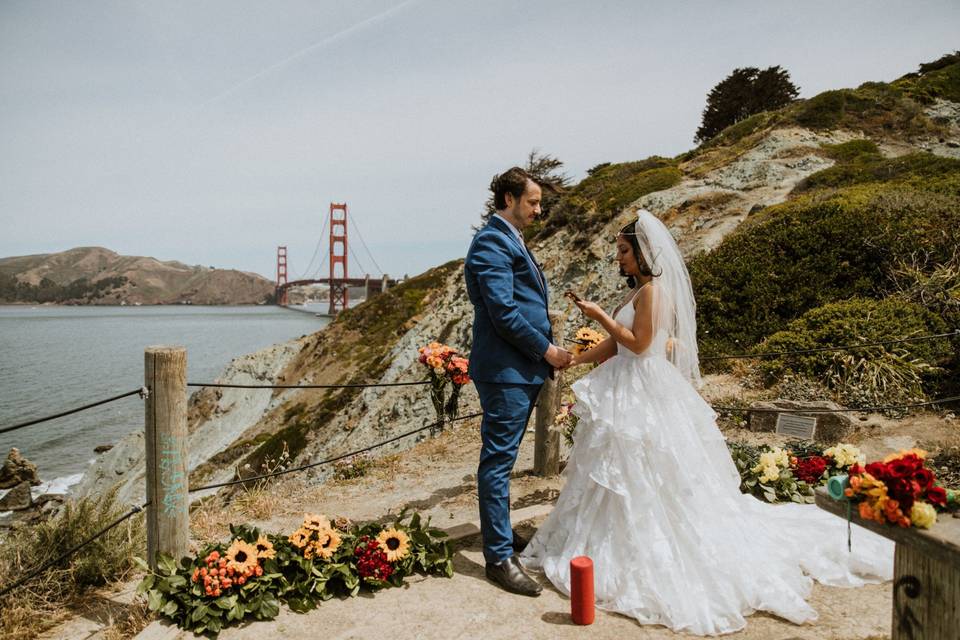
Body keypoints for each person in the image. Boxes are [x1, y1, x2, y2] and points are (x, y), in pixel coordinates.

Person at [520, 209, 894, 635]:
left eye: (623, 251)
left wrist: (599, 315)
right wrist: (574, 359)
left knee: (651, 468)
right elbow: (612, 345)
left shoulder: (654, 293)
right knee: (617, 469)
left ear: (642, 253)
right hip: (627, 384)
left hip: (645, 388)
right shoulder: (637, 291)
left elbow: (641, 346)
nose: (618, 258)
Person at [464, 166, 573, 597]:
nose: (538, 210)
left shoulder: (510, 238)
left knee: (502, 460)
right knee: (498, 462)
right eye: (532, 202)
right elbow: (503, 312)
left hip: (519, 369)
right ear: (508, 199)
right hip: (506, 371)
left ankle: (502, 539)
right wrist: (546, 350)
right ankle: (497, 559)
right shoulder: (491, 240)